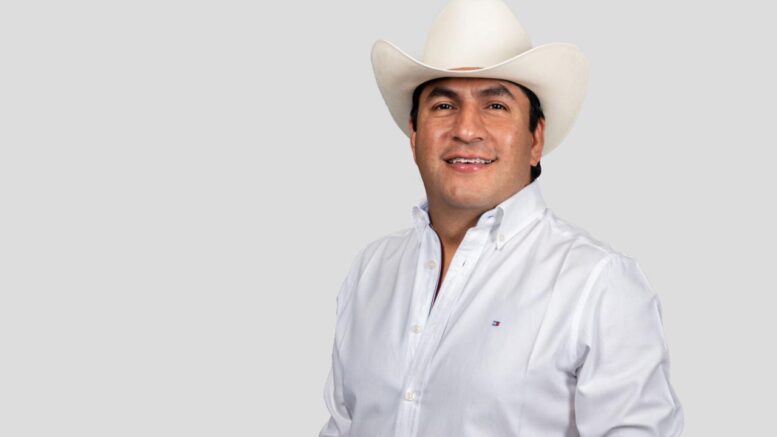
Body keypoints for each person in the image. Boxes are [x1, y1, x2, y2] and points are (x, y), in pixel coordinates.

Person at [319, 0, 684, 435]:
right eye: (443, 105)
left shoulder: (596, 284)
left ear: (536, 138)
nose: (466, 129)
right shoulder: (370, 272)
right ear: (414, 135)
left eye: (495, 106)